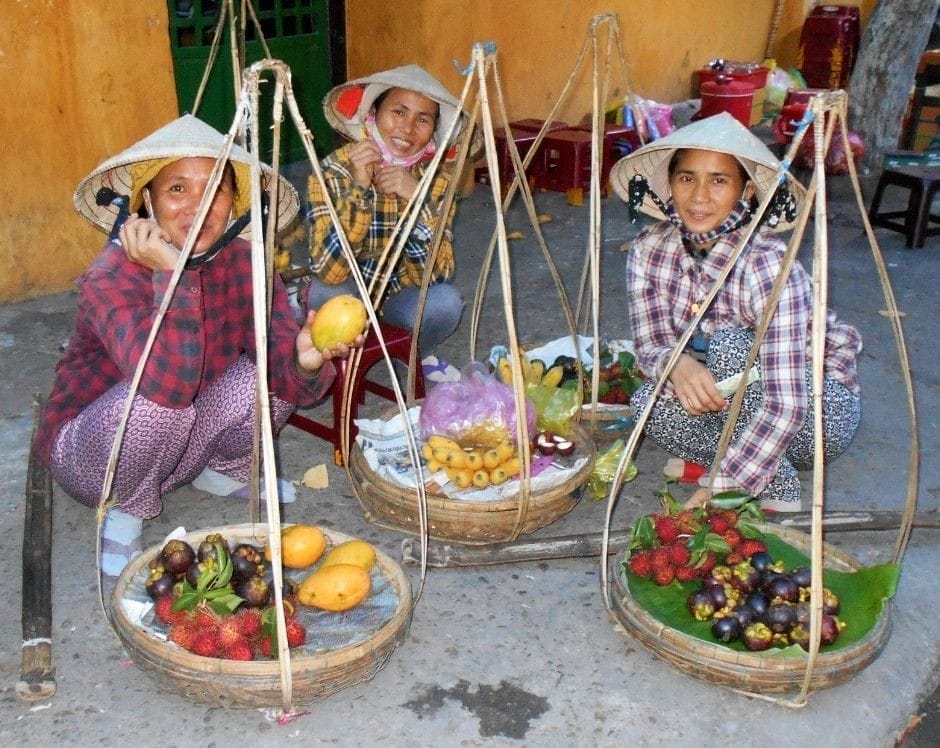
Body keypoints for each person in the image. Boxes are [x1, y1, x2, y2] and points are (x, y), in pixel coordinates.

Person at [35, 115, 363, 575]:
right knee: (161, 407)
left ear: (235, 203)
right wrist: (174, 272)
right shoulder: (112, 276)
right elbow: (164, 388)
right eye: (177, 190)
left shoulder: (247, 263)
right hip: (93, 456)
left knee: (264, 374)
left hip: (176, 440)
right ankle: (127, 506)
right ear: (145, 201)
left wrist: (305, 362)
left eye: (216, 189)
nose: (198, 207)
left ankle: (223, 470)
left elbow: (294, 386)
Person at [609, 112, 862, 512]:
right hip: (738, 404)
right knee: (648, 403)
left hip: (815, 413)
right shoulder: (648, 250)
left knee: (730, 346)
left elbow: (789, 402)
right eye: (687, 178)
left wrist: (722, 489)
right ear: (670, 184)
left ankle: (766, 481)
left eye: (719, 180)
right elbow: (652, 344)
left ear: (746, 192)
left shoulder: (766, 265)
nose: (699, 196)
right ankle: (744, 464)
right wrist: (678, 366)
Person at [305, 64, 467, 355]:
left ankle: (413, 357)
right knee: (324, 294)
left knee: (447, 303)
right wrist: (359, 188)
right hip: (346, 292)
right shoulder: (333, 170)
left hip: (397, 298)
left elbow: (436, 276)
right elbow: (329, 272)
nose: (407, 129)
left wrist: (417, 200)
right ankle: (329, 367)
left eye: (423, 119)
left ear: (433, 132)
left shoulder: (437, 179)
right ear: (373, 114)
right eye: (399, 112)